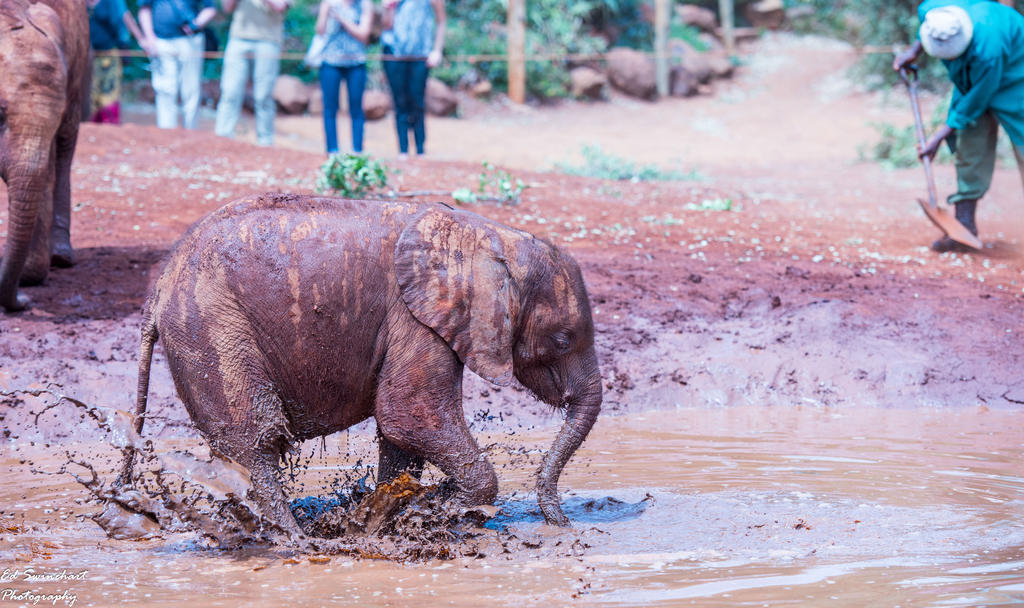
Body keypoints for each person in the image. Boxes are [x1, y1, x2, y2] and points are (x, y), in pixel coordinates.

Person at [894, 0, 1024, 252]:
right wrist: (914, 50)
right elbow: (926, 29)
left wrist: (938, 137)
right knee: (970, 141)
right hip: (976, 75)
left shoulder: (989, 49)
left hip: (1017, 73)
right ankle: (964, 226)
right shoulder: (932, 11)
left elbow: (977, 98)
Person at [214, 0, 290, 146]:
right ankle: (222, 138)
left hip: (268, 40)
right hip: (238, 38)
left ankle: (265, 142)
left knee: (263, 95)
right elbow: (227, 8)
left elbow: (280, 6)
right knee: (230, 92)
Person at [380, 0, 446, 159]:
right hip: (394, 55)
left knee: (417, 101)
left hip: (420, 56)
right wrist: (389, 8)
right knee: (399, 102)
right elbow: (386, 25)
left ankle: (420, 150)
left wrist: (437, 50)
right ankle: (402, 150)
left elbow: (441, 21)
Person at [139, 0, 217, 130]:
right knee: (165, 89)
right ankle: (166, 131)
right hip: (161, 41)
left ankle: (191, 131)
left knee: (191, 89)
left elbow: (210, 8)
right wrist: (150, 38)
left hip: (191, 42)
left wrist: (196, 24)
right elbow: (144, 9)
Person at [316, 0, 372, 155]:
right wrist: (325, 13)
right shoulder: (329, 3)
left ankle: (357, 151)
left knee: (356, 107)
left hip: (356, 62)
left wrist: (341, 18)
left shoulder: (364, 4)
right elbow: (320, 31)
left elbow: (363, 34)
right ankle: (332, 151)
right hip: (330, 61)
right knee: (329, 107)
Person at [87, 0, 153, 124]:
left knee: (109, 92)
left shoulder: (112, 2)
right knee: (91, 92)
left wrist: (140, 39)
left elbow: (124, 17)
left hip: (110, 54)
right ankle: (92, 123)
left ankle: (109, 123)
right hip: (88, 56)